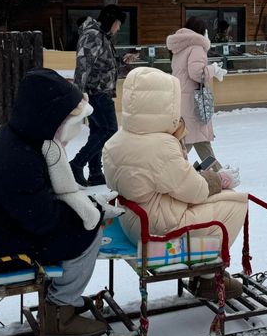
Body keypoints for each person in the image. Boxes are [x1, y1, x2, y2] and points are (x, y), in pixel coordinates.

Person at [0, 69, 105, 336]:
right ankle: (59, 313)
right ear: (49, 119)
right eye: (70, 122)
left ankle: (63, 296)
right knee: (88, 233)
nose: (73, 132)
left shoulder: (22, 141)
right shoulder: (17, 159)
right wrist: (86, 214)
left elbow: (39, 204)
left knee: (79, 226)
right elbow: (44, 221)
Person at [102, 67, 247, 298]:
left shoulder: (117, 140)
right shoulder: (161, 145)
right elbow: (197, 192)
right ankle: (208, 276)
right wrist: (218, 179)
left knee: (219, 200)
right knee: (236, 203)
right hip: (160, 227)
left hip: (133, 220)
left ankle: (204, 271)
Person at [70, 5, 130, 186]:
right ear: (110, 20)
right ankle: (77, 164)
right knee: (108, 130)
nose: (118, 28)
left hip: (100, 90)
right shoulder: (93, 35)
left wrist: (121, 60)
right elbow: (83, 65)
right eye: (118, 23)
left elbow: (102, 63)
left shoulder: (101, 36)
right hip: (96, 92)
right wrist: (78, 93)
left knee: (98, 130)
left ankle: (95, 173)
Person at [166, 16, 227, 171]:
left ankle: (218, 172)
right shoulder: (197, 47)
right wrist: (213, 69)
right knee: (191, 139)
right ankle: (172, 170)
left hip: (181, 98)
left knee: (195, 139)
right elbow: (197, 73)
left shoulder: (180, 47)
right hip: (194, 101)